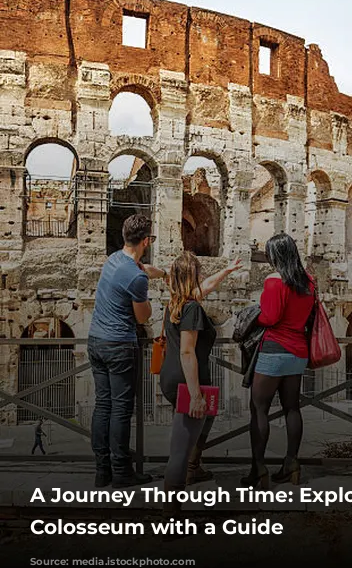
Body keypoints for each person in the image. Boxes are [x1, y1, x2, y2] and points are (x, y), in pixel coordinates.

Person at [88, 213, 167, 488]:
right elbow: (143, 317)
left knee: (103, 406)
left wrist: (159, 273)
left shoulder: (113, 260)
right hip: (119, 345)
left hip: (95, 341)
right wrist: (148, 292)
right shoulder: (136, 278)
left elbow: (138, 271)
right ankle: (122, 471)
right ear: (146, 241)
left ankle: (103, 470)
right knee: (121, 409)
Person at [159, 251, 242, 512]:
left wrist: (226, 271)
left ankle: (189, 476)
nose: (204, 276)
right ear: (192, 276)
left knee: (188, 440)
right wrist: (195, 395)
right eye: (199, 271)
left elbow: (205, 287)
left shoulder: (175, 302)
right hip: (187, 382)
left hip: (170, 376)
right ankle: (170, 516)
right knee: (180, 452)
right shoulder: (193, 308)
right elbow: (187, 351)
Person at [243, 233, 315, 488]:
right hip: (298, 351)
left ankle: (259, 470)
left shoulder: (275, 281)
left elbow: (270, 318)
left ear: (275, 256)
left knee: (259, 409)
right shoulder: (308, 282)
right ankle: (291, 464)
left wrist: (254, 314)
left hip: (274, 350)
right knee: (292, 408)